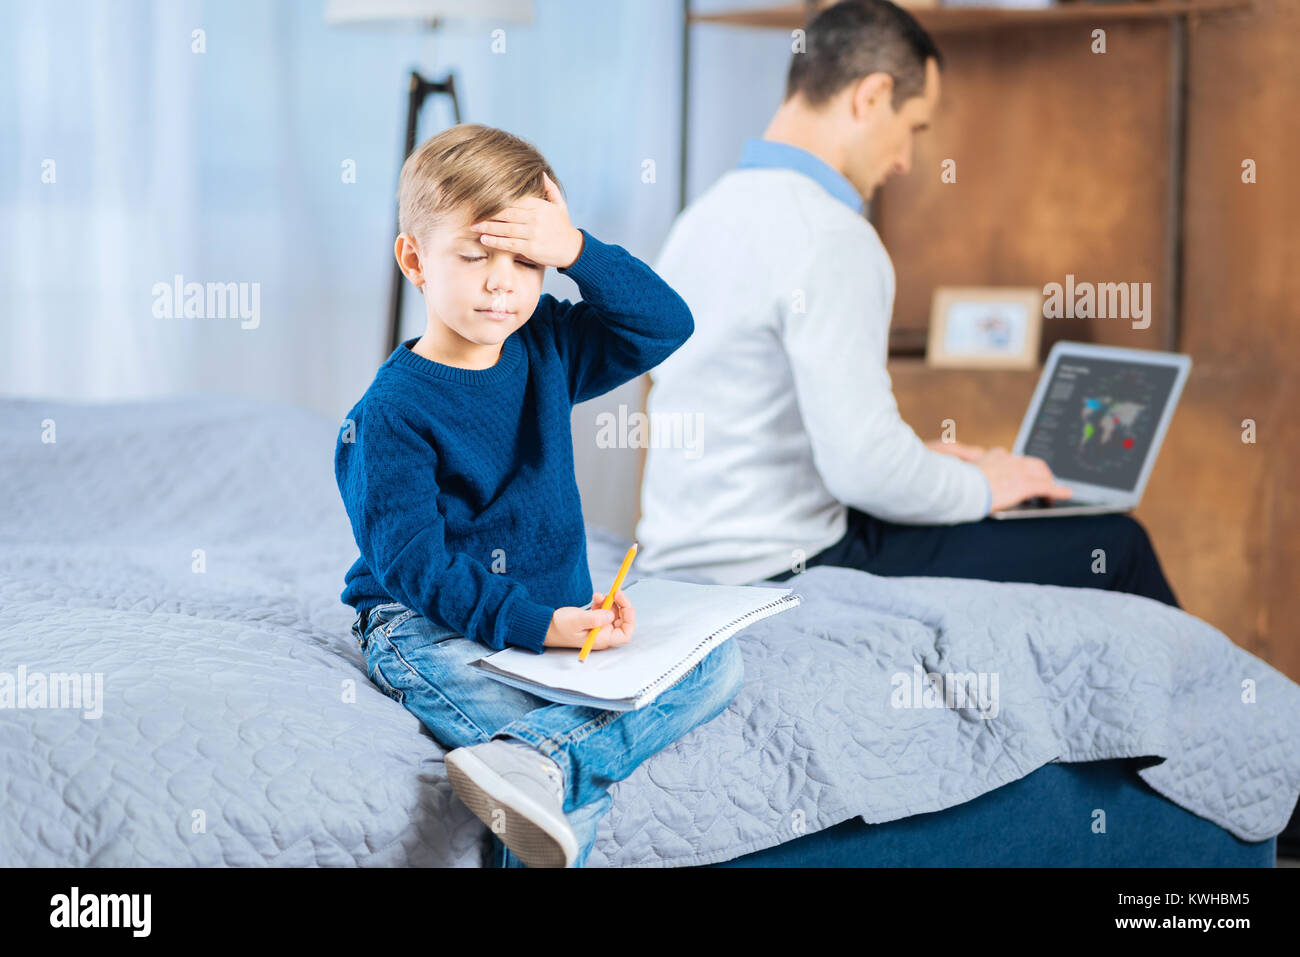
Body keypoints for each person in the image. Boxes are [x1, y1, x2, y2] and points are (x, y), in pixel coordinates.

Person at [635, 0, 1178, 608]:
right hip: (785, 568)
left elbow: (755, 420)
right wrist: (981, 485)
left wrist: (919, 461)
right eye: (915, 127)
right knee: (1117, 544)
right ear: (871, 97)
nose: (905, 161)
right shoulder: (830, 234)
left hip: (684, 560)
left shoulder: (701, 219)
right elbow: (862, 471)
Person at [335, 124, 743, 868]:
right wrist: (541, 624)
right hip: (426, 624)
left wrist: (579, 250)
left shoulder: (548, 344)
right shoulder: (389, 414)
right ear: (414, 259)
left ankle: (536, 762)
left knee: (721, 669)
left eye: (526, 261)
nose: (502, 281)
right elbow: (418, 573)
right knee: (540, 750)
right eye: (474, 255)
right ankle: (545, 767)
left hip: (552, 624)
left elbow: (667, 323)